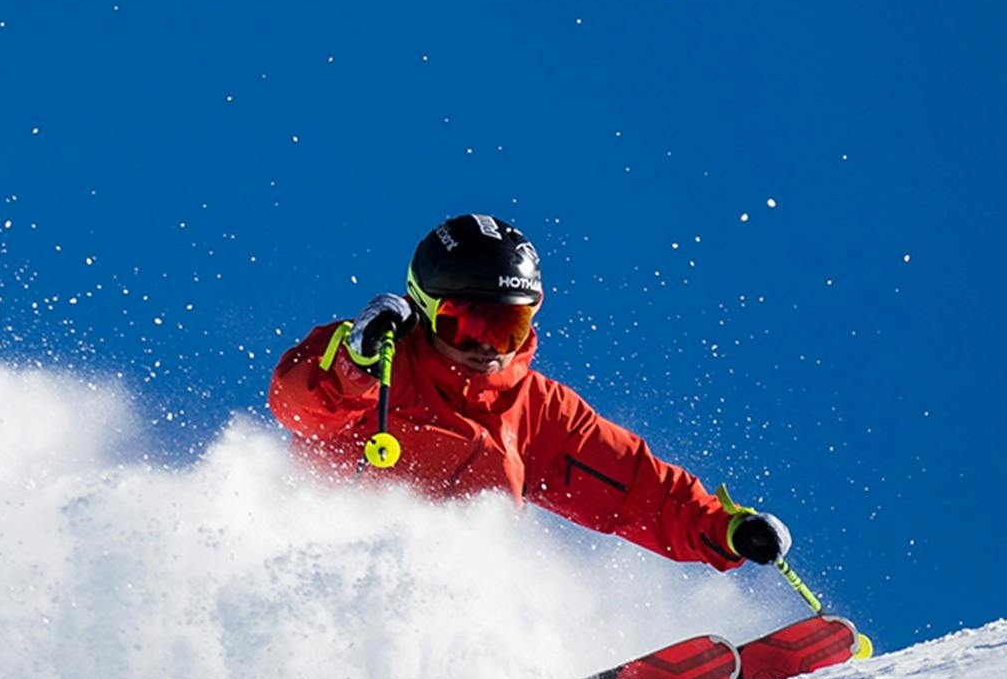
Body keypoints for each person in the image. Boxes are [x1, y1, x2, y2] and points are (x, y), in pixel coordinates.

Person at [268, 214, 790, 572]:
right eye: (466, 325)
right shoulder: (381, 365)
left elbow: (638, 489)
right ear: (425, 310)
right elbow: (294, 405)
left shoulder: (540, 412)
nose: (487, 347)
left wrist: (723, 528)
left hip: (453, 613)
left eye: (508, 328)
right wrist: (352, 367)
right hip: (324, 578)